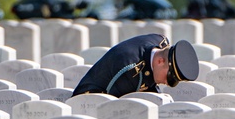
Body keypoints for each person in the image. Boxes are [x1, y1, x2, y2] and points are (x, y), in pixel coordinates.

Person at [72, 33, 200, 97]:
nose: (168, 82)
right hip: (89, 100)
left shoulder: (161, 42)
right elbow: (115, 108)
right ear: (160, 61)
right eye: (170, 77)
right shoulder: (130, 69)